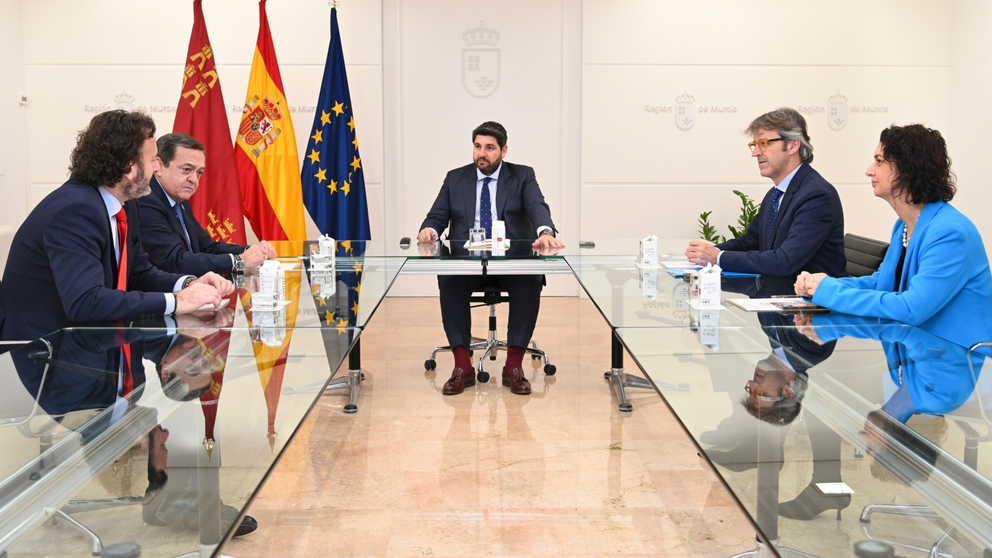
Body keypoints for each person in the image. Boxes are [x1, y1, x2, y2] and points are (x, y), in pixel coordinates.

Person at [0, 110, 232, 341]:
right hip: (44, 351)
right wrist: (178, 302)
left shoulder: (125, 204)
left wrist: (188, 284)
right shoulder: (74, 210)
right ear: (129, 166)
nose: (155, 170)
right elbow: (85, 302)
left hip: (94, 341)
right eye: (152, 161)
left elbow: (138, 273)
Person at [795, 124, 992, 348]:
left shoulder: (950, 233)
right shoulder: (903, 226)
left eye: (879, 161)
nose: (869, 170)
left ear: (907, 169)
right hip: (917, 355)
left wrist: (830, 291)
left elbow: (912, 308)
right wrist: (821, 285)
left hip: (958, 365)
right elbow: (882, 283)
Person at [417, 121, 564, 396]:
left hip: (511, 261)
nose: (481, 153)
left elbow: (537, 206)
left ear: (503, 150)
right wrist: (430, 230)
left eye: (489, 148)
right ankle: (463, 367)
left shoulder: (522, 176)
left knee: (529, 280)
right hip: (468, 261)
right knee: (449, 279)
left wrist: (545, 231)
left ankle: (513, 367)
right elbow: (437, 216)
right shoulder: (455, 178)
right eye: (477, 147)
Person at [685, 107, 847, 277]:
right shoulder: (775, 194)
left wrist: (718, 257)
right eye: (754, 145)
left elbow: (784, 261)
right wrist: (710, 252)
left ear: (792, 145)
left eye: (763, 144)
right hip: (778, 294)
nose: (755, 153)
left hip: (811, 300)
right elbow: (749, 242)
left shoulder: (816, 196)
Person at [137, 133, 276, 276]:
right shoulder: (146, 201)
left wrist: (251, 250)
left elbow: (206, 247)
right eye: (186, 169)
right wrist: (239, 260)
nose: (193, 179)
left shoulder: (179, 200)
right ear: (158, 166)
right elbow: (174, 261)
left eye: (199, 172)